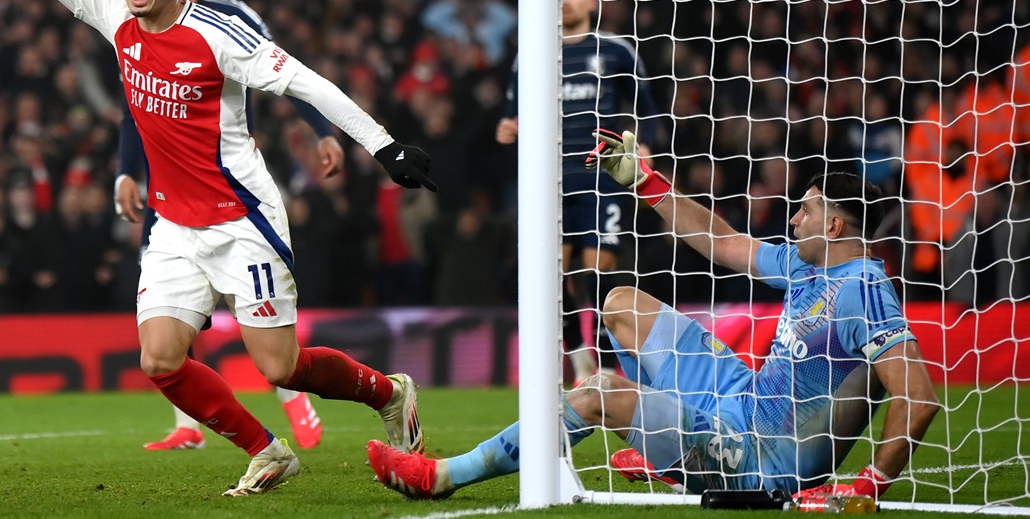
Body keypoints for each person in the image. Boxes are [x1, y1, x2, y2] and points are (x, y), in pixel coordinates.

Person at [0, 0, 435, 496]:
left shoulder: (220, 36)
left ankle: (390, 394)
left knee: (280, 367)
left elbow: (305, 80)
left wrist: (382, 143)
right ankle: (268, 451)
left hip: (243, 220)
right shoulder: (113, 17)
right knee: (160, 358)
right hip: (174, 227)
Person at [367, 129, 939, 501]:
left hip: (766, 455)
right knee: (621, 306)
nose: (792, 220)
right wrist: (647, 183)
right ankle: (662, 440)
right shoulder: (805, 266)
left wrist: (869, 485)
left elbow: (918, 395)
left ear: (835, 226)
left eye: (806, 211)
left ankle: (443, 476)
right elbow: (721, 240)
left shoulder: (862, 286)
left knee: (596, 392)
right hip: (740, 397)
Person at [115, 0, 339, 451]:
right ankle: (188, 427)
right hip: (168, 185)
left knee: (253, 306)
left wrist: (324, 131)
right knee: (167, 313)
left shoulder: (230, 17)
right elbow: (134, 101)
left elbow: (289, 74)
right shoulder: (133, 19)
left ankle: (290, 391)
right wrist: (126, 171)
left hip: (230, 174)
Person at [494, 0, 662, 382]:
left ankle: (607, 359)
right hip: (548, 180)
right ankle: (580, 352)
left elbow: (649, 108)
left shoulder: (616, 51)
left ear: (591, 2)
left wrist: (645, 144)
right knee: (557, 271)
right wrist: (508, 127)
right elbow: (512, 115)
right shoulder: (531, 54)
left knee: (598, 268)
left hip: (601, 175)